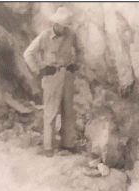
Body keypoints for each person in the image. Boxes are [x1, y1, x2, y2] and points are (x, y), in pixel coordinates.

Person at [23, 6, 80, 156]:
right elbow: (28, 54)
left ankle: (68, 144)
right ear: (56, 24)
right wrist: (40, 69)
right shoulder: (44, 36)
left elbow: (79, 50)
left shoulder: (71, 35)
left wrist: (75, 63)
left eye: (67, 26)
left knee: (68, 111)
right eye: (63, 26)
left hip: (67, 76)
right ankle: (48, 146)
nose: (65, 29)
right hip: (51, 77)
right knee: (51, 112)